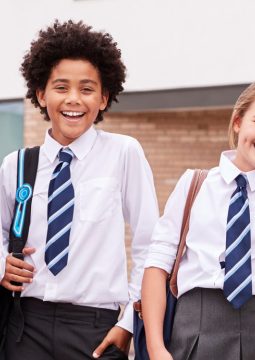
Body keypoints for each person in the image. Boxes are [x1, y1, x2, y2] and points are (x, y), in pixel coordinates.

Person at [0, 20, 159, 359]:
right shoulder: (16, 164)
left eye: (87, 89)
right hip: (25, 326)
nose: (73, 99)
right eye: (61, 87)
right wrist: (2, 263)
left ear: (103, 98)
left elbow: (152, 244)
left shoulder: (123, 153)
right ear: (41, 93)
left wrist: (129, 319)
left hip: (95, 328)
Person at [141, 78, 255, 360]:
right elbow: (156, 264)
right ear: (238, 121)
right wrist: (156, 349)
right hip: (194, 331)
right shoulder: (194, 183)